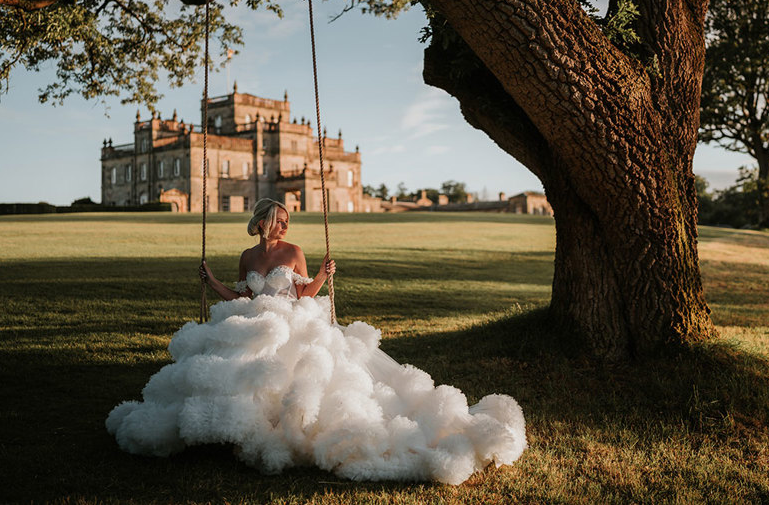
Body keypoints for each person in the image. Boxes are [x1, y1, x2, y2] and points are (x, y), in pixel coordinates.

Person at [106, 198, 526, 484]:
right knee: (242, 366)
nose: (285, 225)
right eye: (280, 219)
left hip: (291, 319)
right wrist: (211, 281)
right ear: (262, 221)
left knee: (296, 373)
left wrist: (324, 275)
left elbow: (305, 293)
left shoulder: (294, 252)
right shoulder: (248, 257)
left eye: (288, 220)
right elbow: (242, 297)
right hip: (255, 320)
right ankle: (239, 428)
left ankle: (287, 429)